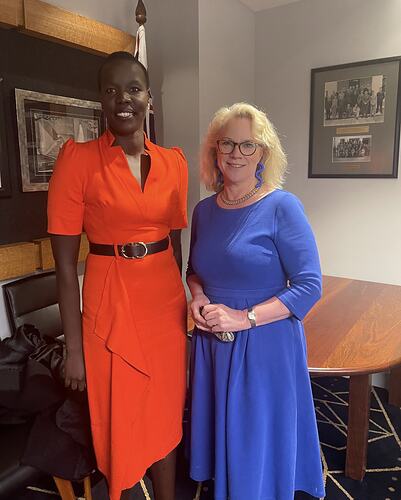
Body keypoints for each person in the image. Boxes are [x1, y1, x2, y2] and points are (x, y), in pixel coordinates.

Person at [47, 51, 188, 500]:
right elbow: (66, 265)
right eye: (110, 90)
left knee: (166, 414)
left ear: (149, 98)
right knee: (121, 421)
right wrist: (73, 349)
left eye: (133, 89)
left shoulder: (175, 164)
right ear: (100, 101)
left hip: (165, 308)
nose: (122, 99)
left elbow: (177, 241)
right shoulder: (77, 161)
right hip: (110, 306)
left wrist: (186, 302)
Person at [187, 103, 325, 500]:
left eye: (248, 145)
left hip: (263, 340)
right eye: (227, 142)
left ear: (263, 153)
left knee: (254, 444)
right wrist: (196, 297)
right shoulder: (204, 211)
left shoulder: (282, 206)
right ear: (215, 150)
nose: (235, 153)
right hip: (212, 341)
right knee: (224, 435)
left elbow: (308, 285)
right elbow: (195, 270)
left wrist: (242, 318)